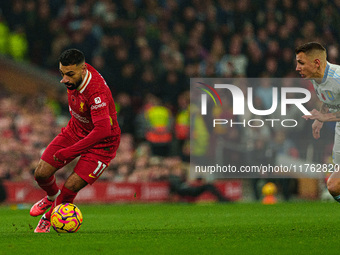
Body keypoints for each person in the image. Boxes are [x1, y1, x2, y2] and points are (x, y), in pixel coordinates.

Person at [30, 49, 121, 233]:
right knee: (41, 173)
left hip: (102, 144)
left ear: (84, 70)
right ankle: (51, 196)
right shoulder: (75, 75)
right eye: (62, 73)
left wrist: (71, 152)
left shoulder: (96, 92)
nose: (64, 79)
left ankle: (49, 217)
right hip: (76, 129)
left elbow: (103, 130)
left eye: (70, 75)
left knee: (70, 187)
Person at [296, 42, 340, 203]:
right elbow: (329, 98)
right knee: (334, 186)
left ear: (316, 63)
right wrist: (320, 119)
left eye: (301, 63)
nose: (297, 68)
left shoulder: (338, 78)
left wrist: (326, 118)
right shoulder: (316, 78)